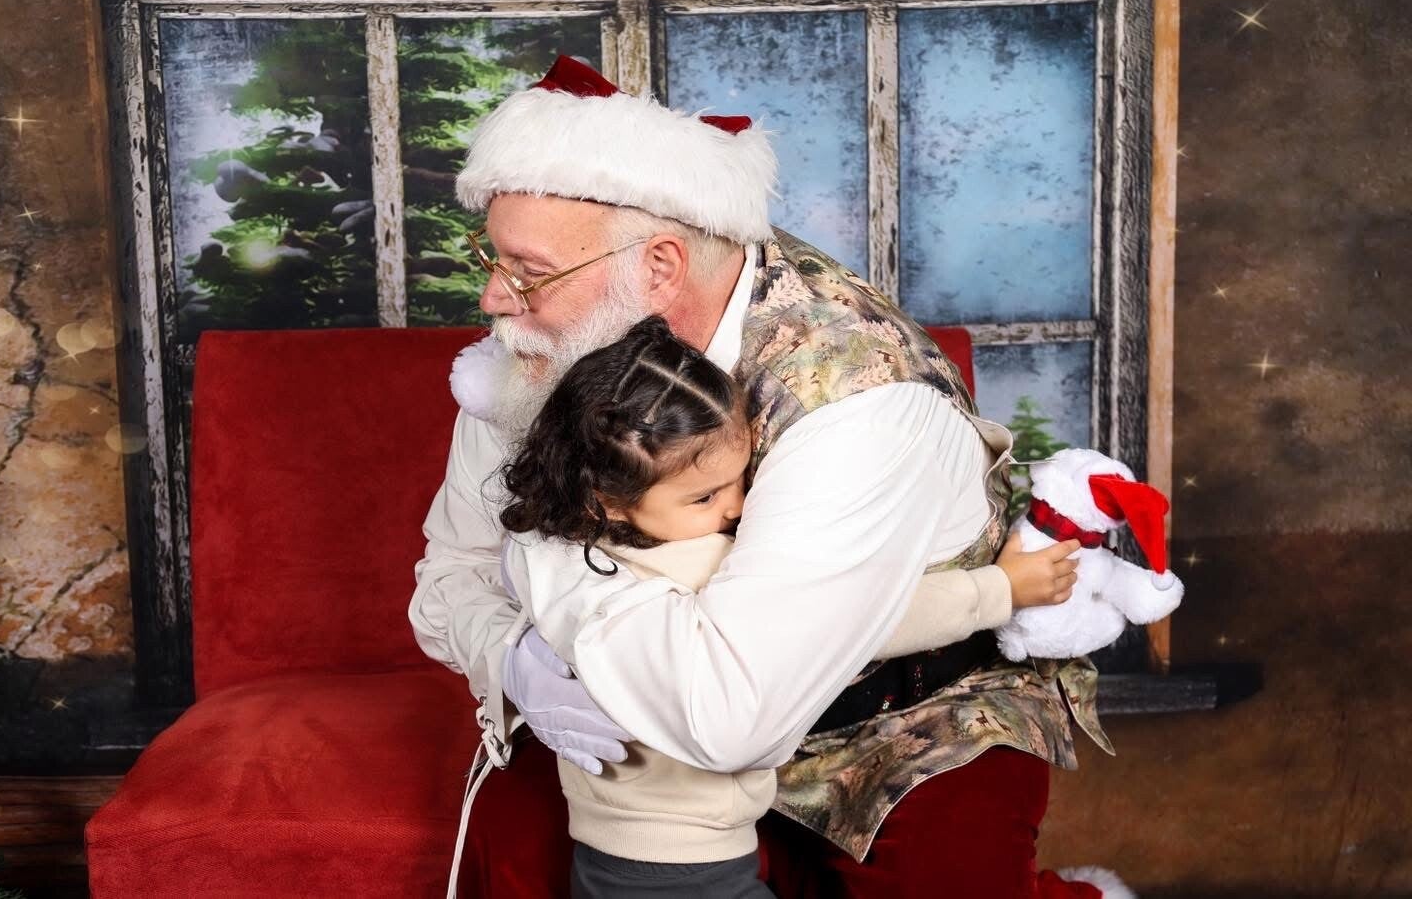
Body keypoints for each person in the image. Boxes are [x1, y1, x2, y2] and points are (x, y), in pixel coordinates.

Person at [411, 55, 1130, 899]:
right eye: (493, 260)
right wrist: (512, 659)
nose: (494, 299)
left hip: (902, 718)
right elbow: (449, 577)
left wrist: (547, 562)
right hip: (644, 725)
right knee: (517, 854)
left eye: (529, 271)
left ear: (660, 268)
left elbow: (730, 720)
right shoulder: (545, 354)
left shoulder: (860, 399)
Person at [486, 315, 1083, 898]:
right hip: (689, 864)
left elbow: (515, 566)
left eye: (742, 478)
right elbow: (865, 620)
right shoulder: (703, 565)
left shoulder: (552, 550)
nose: (736, 507)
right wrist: (998, 591)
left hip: (608, 850)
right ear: (608, 501)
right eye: (704, 497)